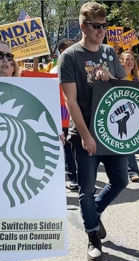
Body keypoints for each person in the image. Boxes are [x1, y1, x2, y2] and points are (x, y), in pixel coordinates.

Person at [59, 2, 127, 261]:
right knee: (85, 190)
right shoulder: (70, 56)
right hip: (84, 132)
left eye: (104, 26)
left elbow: (124, 88)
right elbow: (70, 100)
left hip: (111, 131)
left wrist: (110, 77)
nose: (101, 31)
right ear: (83, 26)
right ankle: (93, 238)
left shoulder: (110, 53)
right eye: (96, 26)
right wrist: (86, 135)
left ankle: (92, 215)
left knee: (120, 180)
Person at [0, 40, 35, 261]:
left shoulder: (27, 93)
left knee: (10, 215)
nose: (4, 60)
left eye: (8, 55)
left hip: (11, 168)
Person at [49, 38, 78, 190]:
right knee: (65, 147)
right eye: (70, 48)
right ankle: (71, 177)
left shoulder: (76, 68)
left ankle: (73, 176)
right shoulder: (54, 72)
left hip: (74, 114)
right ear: (62, 51)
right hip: (60, 115)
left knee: (71, 146)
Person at [119, 50, 139, 182]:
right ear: (121, 61)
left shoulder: (136, 78)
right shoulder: (116, 76)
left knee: (128, 142)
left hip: (132, 114)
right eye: (127, 59)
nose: (130, 62)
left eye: (132, 59)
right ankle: (132, 171)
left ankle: (132, 171)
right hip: (119, 112)